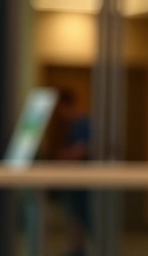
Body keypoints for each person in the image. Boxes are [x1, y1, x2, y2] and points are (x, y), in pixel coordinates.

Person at [53, 90, 91, 256]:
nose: (62, 116)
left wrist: (63, 157)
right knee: (75, 218)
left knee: (84, 218)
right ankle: (77, 250)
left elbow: (82, 150)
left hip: (83, 184)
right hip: (76, 184)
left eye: (62, 111)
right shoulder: (75, 126)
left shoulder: (84, 124)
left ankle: (81, 250)